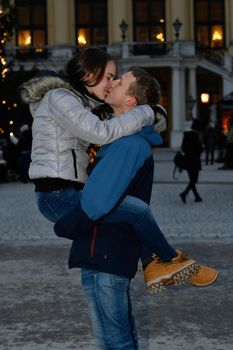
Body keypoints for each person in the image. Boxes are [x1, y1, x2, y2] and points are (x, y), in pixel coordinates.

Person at [54, 68, 218, 293]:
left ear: (130, 100)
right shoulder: (114, 137)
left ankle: (167, 260)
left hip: (106, 255)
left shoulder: (128, 144)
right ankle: (157, 262)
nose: (112, 82)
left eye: (120, 82)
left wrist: (66, 225)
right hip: (103, 250)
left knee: (114, 330)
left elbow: (97, 203)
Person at [179, 119, 204, 203]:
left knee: (192, 180)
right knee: (194, 180)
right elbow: (199, 150)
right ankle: (184, 193)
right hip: (195, 162)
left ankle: (197, 196)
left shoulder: (186, 135)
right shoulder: (197, 137)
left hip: (187, 161)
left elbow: (183, 148)